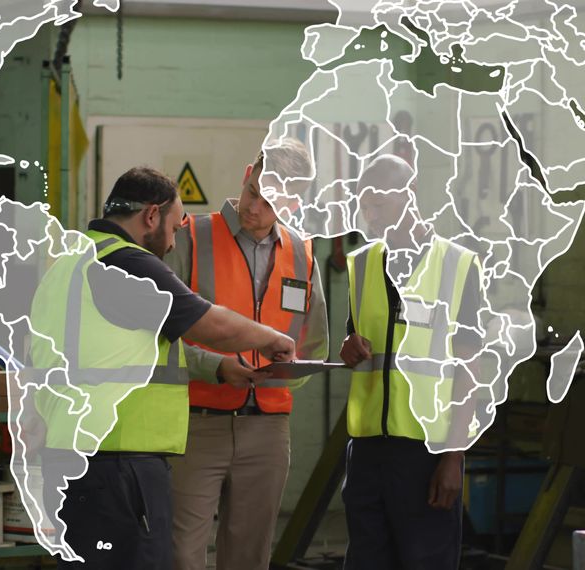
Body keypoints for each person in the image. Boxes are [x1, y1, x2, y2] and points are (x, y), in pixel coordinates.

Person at [28, 166, 297, 570]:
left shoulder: (70, 260)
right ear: (151, 216)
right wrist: (272, 339)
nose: (173, 242)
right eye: (173, 227)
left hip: (70, 455)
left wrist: (219, 369)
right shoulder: (129, 263)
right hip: (121, 461)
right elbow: (212, 325)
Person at [164, 139, 330, 570]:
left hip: (268, 430)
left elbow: (315, 343)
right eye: (254, 191)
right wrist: (215, 367)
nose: (255, 207)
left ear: (294, 202)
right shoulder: (192, 237)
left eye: (271, 201)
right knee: (181, 553)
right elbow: (159, 333)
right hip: (197, 422)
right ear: (246, 176)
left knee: (249, 556)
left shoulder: (303, 254)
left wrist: (284, 372)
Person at [338, 155, 484, 570]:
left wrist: (453, 457)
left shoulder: (457, 265)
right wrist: (349, 347)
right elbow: (357, 338)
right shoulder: (360, 264)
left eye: (379, 205)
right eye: (365, 206)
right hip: (366, 451)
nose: (370, 215)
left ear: (410, 194)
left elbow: (470, 369)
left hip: (425, 454)